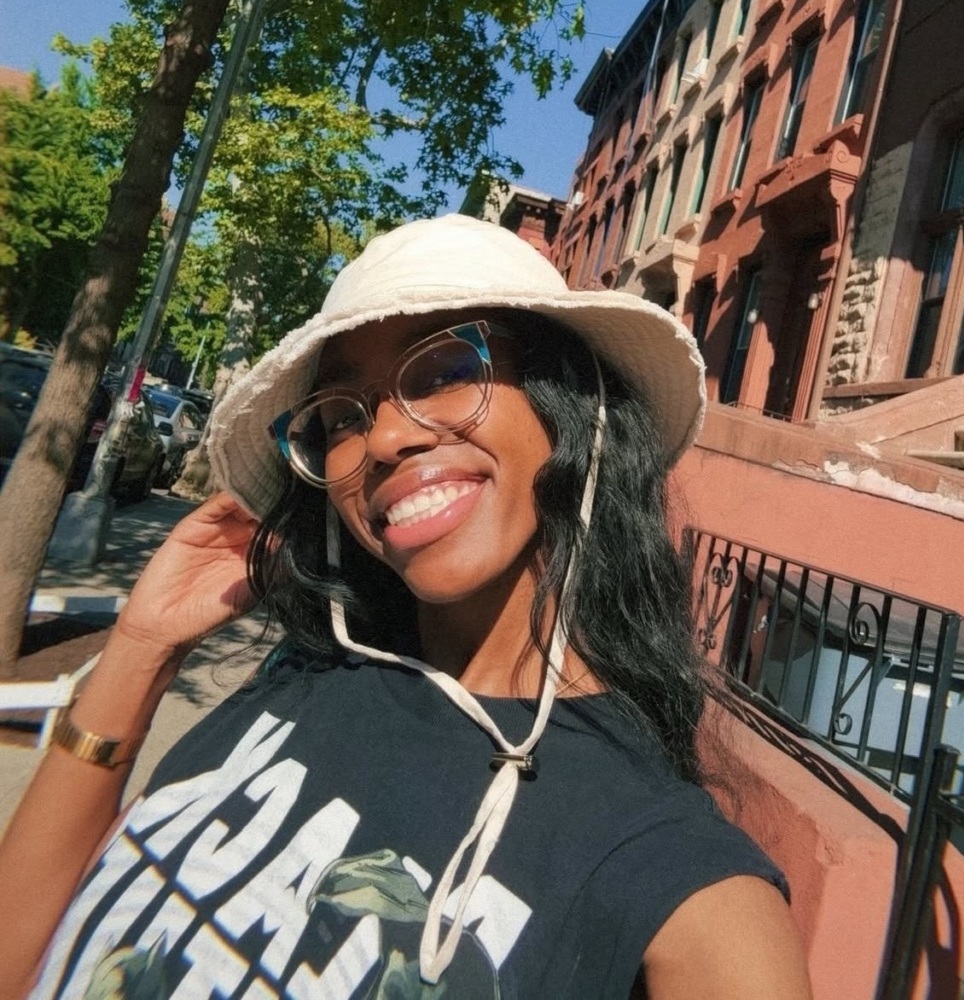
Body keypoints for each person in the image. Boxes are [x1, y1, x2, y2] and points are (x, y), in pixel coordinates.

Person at [0, 215, 812, 999]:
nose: (384, 439)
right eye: (342, 415)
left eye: (448, 369)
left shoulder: (680, 884)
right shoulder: (300, 677)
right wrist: (141, 650)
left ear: (574, 410)